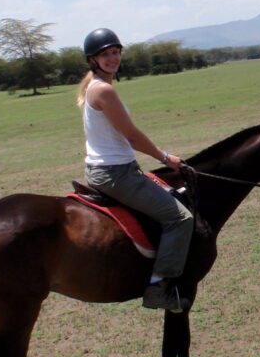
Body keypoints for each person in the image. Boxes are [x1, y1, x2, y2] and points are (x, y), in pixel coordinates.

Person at [77, 28, 195, 312]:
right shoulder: (103, 90)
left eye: (115, 52)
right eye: (105, 54)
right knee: (180, 218)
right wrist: (165, 157)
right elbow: (131, 135)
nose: (112, 58)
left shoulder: (94, 86)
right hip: (116, 173)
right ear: (92, 60)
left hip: (107, 169)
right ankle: (158, 288)